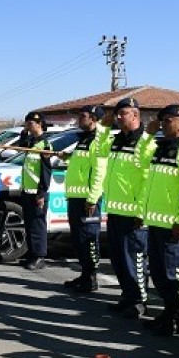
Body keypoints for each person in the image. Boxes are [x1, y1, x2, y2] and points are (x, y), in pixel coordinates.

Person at [139, 104, 179, 335]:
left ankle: (175, 317)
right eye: (162, 120)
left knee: (173, 275)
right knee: (160, 274)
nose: (163, 124)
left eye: (168, 120)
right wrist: (148, 134)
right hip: (156, 221)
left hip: (173, 225)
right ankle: (168, 313)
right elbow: (140, 161)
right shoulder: (160, 147)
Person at [102, 96, 155, 316]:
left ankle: (139, 300)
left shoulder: (145, 142)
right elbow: (98, 150)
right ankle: (127, 295)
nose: (118, 117)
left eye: (122, 113)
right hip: (115, 209)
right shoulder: (116, 139)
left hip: (134, 213)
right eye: (117, 114)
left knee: (135, 258)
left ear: (135, 115)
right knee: (119, 258)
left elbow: (147, 180)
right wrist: (104, 127)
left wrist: (142, 210)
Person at [62, 106, 110, 292]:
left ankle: (91, 278)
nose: (78, 119)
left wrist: (92, 198)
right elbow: (82, 166)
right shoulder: (84, 139)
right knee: (78, 240)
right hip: (75, 197)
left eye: (82, 116)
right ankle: (84, 274)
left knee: (89, 239)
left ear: (93, 119)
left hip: (88, 200)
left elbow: (99, 172)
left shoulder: (99, 141)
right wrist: (67, 158)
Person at [15, 112, 52, 271]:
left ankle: (39, 256)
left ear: (39, 124)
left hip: (37, 192)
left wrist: (42, 193)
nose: (28, 125)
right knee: (29, 224)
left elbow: (45, 171)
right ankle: (31, 254)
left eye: (31, 123)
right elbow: (19, 146)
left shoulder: (45, 145)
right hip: (27, 190)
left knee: (38, 225)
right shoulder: (31, 142)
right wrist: (24, 132)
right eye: (27, 122)